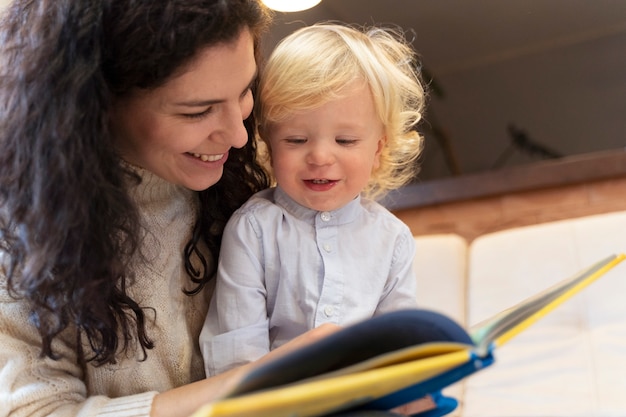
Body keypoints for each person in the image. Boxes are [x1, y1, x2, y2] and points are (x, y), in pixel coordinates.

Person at [0, 2, 339, 417]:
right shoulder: (17, 230)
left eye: (245, 91)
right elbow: (31, 410)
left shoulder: (256, 181)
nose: (237, 134)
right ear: (96, 104)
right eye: (197, 111)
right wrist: (251, 386)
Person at [200, 23, 426, 377]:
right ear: (269, 146)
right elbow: (237, 352)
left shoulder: (393, 241)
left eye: (346, 140)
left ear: (378, 149)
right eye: (296, 140)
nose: (320, 156)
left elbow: (396, 343)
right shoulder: (253, 230)